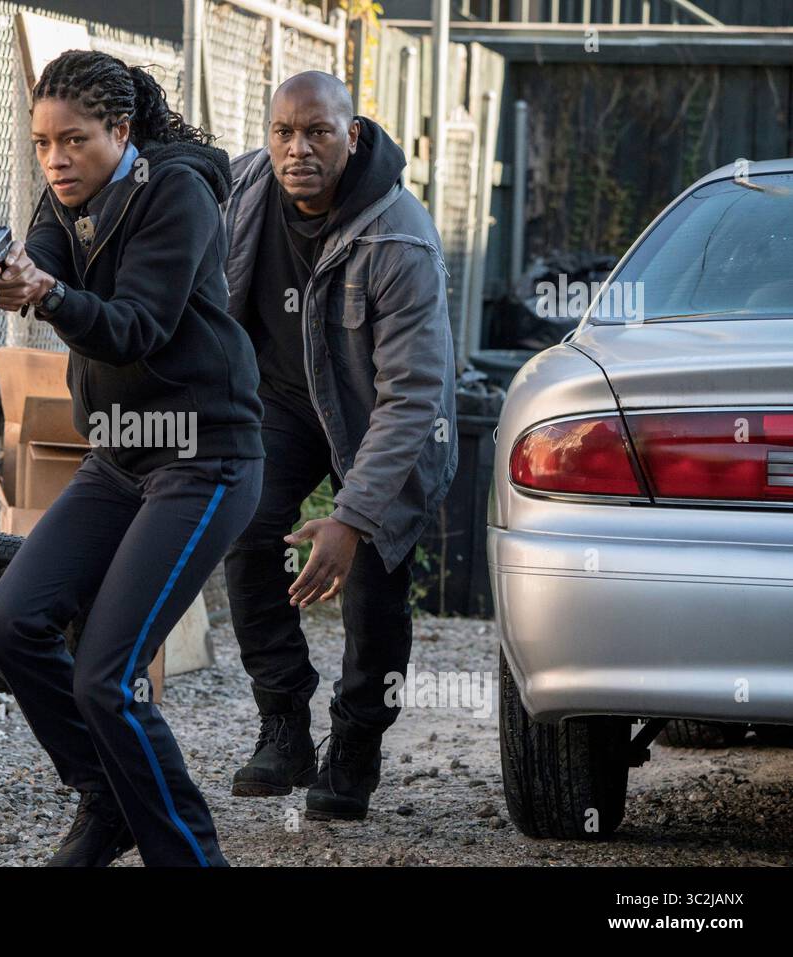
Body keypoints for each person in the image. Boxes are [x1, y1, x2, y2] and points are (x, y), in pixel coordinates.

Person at [0, 50, 264, 867]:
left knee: (108, 674)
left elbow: (134, 325)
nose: (56, 160)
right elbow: (45, 265)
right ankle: (107, 798)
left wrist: (48, 296)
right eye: (41, 144)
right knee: (9, 622)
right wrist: (15, 278)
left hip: (205, 456)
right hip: (122, 456)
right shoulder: (64, 197)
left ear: (122, 131)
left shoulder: (178, 193)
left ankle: (191, 856)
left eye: (73, 142)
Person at [221, 71, 458, 820]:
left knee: (375, 573)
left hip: (379, 415)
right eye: (283, 132)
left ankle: (356, 741)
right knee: (244, 524)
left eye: (318, 132)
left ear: (351, 137)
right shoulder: (243, 188)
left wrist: (351, 521)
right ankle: (283, 718)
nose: (298, 148)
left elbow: (413, 397)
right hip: (284, 400)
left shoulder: (400, 236)